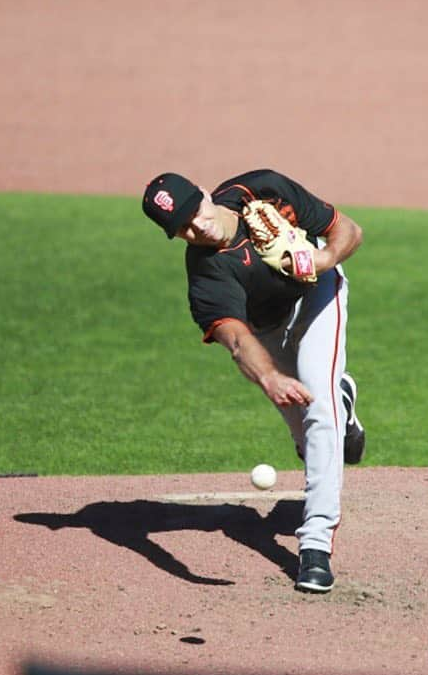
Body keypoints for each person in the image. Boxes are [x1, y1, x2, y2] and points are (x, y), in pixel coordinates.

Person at [141, 168, 365, 593]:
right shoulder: (207, 276)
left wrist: (320, 259)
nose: (197, 226)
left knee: (320, 408)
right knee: (308, 436)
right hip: (265, 333)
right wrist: (270, 379)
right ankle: (342, 405)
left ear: (206, 194)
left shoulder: (261, 189)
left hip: (319, 296)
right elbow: (239, 342)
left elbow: (349, 230)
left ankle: (315, 547)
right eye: (182, 228)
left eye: (195, 210)